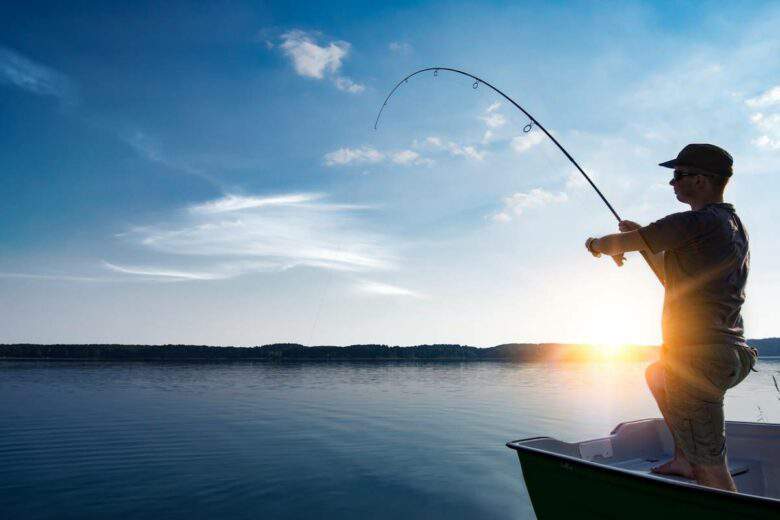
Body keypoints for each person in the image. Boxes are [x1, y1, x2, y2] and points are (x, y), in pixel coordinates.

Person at [584, 143, 756, 491]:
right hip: (731, 355)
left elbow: (614, 243)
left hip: (698, 358)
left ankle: (710, 482)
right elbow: (671, 276)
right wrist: (640, 242)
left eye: (678, 175)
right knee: (660, 375)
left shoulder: (693, 222)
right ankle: (683, 458)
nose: (672, 183)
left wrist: (596, 244)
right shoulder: (731, 224)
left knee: (713, 473)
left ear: (703, 180)